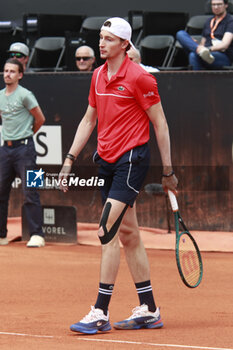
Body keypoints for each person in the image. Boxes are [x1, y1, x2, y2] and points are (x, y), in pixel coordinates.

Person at [59, 17, 178, 334]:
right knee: (129, 235)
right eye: (100, 37)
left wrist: (168, 171)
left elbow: (160, 124)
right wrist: (70, 158)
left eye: (109, 39)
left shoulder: (141, 79)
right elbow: (88, 120)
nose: (101, 43)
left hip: (132, 161)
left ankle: (99, 311)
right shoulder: (97, 76)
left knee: (106, 232)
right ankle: (149, 308)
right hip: (108, 162)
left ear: (124, 44)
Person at [0, 58, 45, 247]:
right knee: (0, 191)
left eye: (12, 71)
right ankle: (1, 235)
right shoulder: (0, 95)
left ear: (20, 75)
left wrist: (26, 137)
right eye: (5, 71)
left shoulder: (26, 95)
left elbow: (40, 119)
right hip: (5, 150)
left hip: (26, 149)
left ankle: (37, 235)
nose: (7, 74)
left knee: (30, 191)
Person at [176, 0, 233, 70]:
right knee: (180, 33)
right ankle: (198, 50)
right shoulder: (208, 21)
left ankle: (196, 80)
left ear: (226, 5)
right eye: (213, 5)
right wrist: (197, 45)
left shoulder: (230, 21)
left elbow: (225, 44)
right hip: (204, 54)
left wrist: (208, 49)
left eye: (219, 4)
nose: (216, 7)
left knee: (193, 55)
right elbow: (203, 42)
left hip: (221, 56)